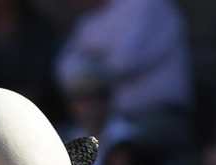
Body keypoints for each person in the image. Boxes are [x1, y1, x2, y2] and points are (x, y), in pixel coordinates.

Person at [54, 0, 193, 128]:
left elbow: (124, 61)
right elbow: (64, 70)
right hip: (109, 120)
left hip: (156, 114)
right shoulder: (87, 21)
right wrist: (101, 56)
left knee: (121, 149)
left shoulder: (146, 4)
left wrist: (90, 57)